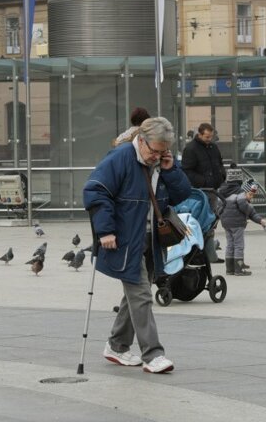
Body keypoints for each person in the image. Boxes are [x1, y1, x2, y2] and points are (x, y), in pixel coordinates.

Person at [84, 116, 192, 374]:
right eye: (154, 151)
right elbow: (95, 191)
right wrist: (105, 230)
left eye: (163, 152)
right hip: (125, 240)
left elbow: (181, 195)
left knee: (134, 294)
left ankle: (117, 345)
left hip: (151, 238)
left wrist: (171, 169)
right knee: (141, 294)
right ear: (141, 141)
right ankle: (153, 354)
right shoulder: (120, 157)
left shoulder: (160, 162)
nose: (157, 156)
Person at [219, 182, 265, 276]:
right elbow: (249, 211)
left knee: (230, 245)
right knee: (239, 245)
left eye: (253, 195)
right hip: (237, 224)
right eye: (250, 194)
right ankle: (238, 269)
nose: (251, 197)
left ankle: (230, 269)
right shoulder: (241, 198)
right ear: (244, 192)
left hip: (226, 224)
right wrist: (259, 220)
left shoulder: (228, 196)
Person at [181, 122, 226, 190]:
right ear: (200, 135)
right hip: (200, 189)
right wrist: (203, 182)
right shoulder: (190, 149)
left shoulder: (214, 147)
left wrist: (222, 176)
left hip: (216, 187)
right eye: (207, 137)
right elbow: (187, 171)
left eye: (211, 136)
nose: (210, 139)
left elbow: (220, 163)